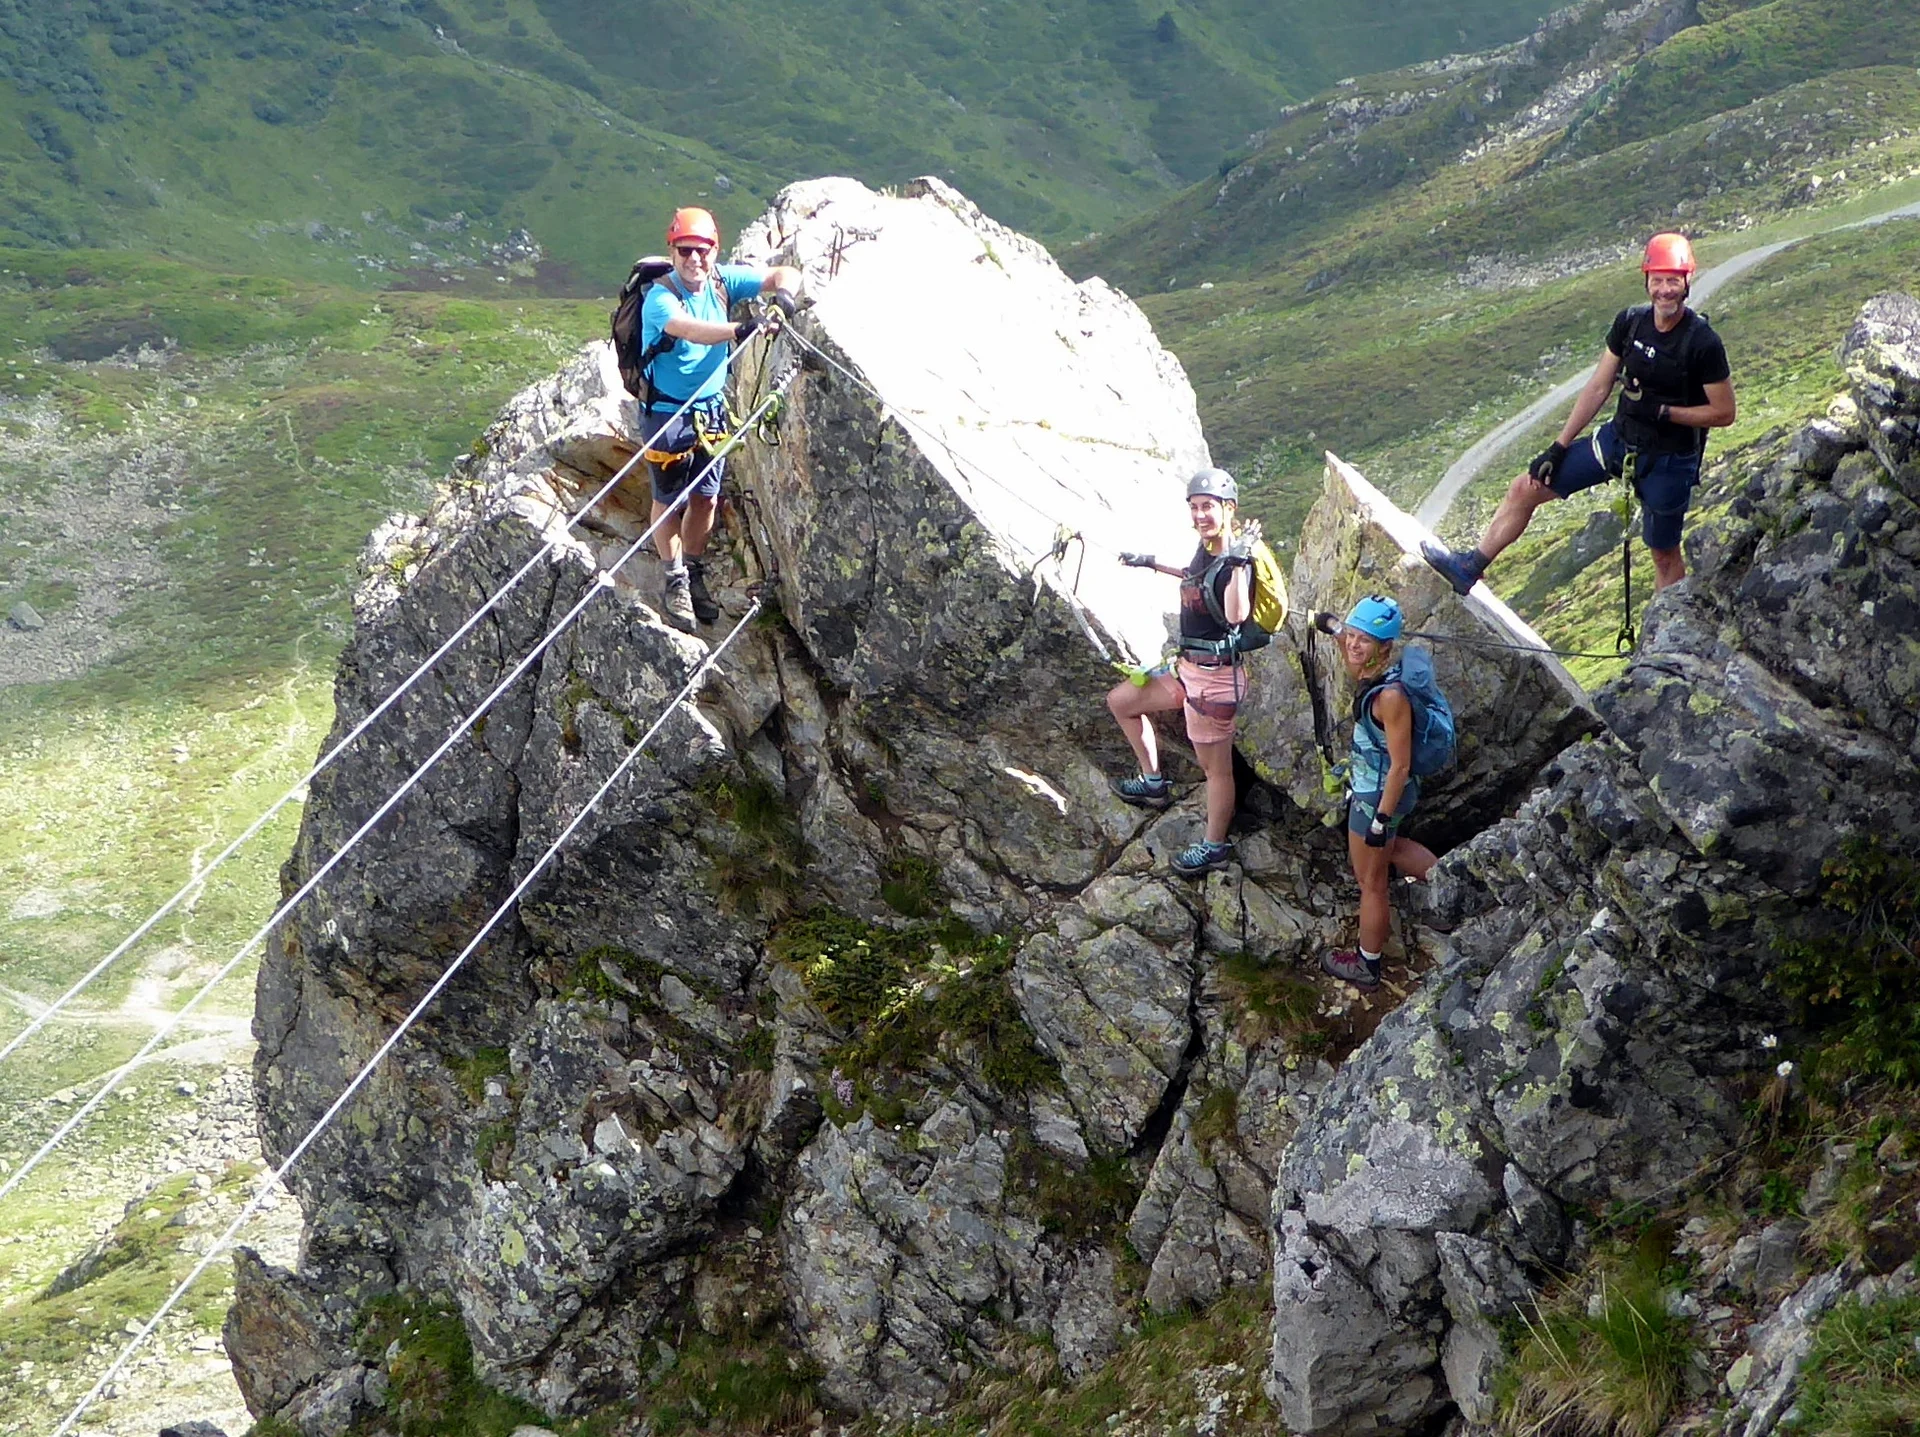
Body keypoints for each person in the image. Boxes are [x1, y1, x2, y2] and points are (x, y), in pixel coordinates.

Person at [1423, 232, 1735, 597]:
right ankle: (1468, 568)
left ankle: (1667, 633)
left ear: (1687, 282)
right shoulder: (1631, 323)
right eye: (1657, 280)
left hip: (1669, 461)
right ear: (1646, 280)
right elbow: (1598, 387)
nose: (1664, 290)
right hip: (1619, 440)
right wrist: (1559, 446)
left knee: (1664, 555)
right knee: (1526, 487)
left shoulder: (1702, 343)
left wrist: (1664, 412)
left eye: (1672, 281)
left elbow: (1724, 412)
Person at [640, 206, 802, 630]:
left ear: (715, 250)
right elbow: (687, 328)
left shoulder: (721, 280)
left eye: (702, 250)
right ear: (672, 252)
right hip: (667, 413)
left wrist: (782, 298)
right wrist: (739, 330)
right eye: (685, 251)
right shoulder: (659, 298)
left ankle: (692, 570)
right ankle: (674, 577)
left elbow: (783, 274)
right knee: (667, 497)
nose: (695, 259)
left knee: (707, 497)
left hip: (710, 409)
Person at [1106, 467, 1256, 878]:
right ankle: (1153, 782)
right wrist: (1149, 562)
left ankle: (1214, 847)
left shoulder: (1237, 559)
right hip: (1188, 669)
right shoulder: (1207, 550)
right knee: (1122, 701)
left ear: (1229, 509)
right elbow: (1195, 575)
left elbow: (1236, 615)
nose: (1199, 515)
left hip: (1215, 682)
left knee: (1216, 770)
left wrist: (1241, 564)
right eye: (1194, 507)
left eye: (1207, 506)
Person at [1320, 595, 1438, 990]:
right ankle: (1448, 881)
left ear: (1384, 648)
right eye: (1352, 636)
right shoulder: (1377, 669)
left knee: (1371, 882)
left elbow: (1401, 765)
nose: (1353, 645)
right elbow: (1349, 643)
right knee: (1391, 849)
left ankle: (1366, 966)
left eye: (1364, 640)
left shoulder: (1391, 697)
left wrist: (1379, 819)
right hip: (1379, 792)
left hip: (1378, 796)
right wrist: (1335, 627)